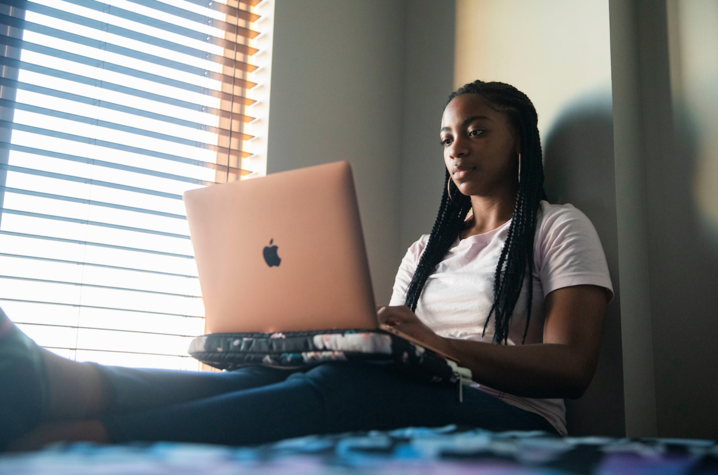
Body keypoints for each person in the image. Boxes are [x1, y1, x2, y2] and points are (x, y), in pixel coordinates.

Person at [0, 80, 612, 451]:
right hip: (420, 390)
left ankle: (102, 439)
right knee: (273, 379)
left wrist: (440, 349)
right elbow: (394, 340)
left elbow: (571, 367)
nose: (458, 149)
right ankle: (76, 387)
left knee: (343, 390)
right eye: (448, 139)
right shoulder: (424, 252)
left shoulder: (559, 227)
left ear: (519, 141)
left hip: (518, 419)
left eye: (476, 132)